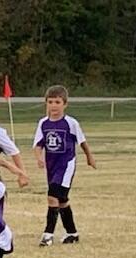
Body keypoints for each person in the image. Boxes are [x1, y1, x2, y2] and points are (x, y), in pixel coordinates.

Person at [33, 85, 96, 247]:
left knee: (52, 196)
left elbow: (82, 142)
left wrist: (89, 157)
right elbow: (38, 144)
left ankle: (48, 235)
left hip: (66, 165)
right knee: (62, 201)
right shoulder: (43, 123)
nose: (54, 105)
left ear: (65, 104)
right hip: (51, 166)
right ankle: (72, 233)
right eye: (50, 102)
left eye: (57, 102)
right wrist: (39, 158)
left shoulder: (70, 123)